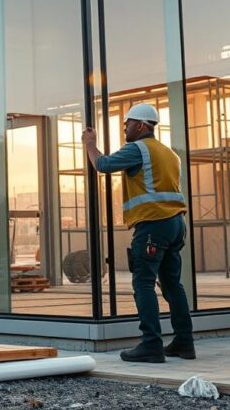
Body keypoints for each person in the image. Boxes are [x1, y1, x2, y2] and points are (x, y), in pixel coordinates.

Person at [81, 103, 194, 363]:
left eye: (128, 124)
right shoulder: (169, 153)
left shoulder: (138, 149)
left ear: (141, 125)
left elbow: (103, 164)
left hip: (153, 224)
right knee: (172, 285)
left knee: (143, 282)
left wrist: (90, 143)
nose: (124, 128)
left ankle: (151, 345)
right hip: (176, 224)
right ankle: (184, 343)